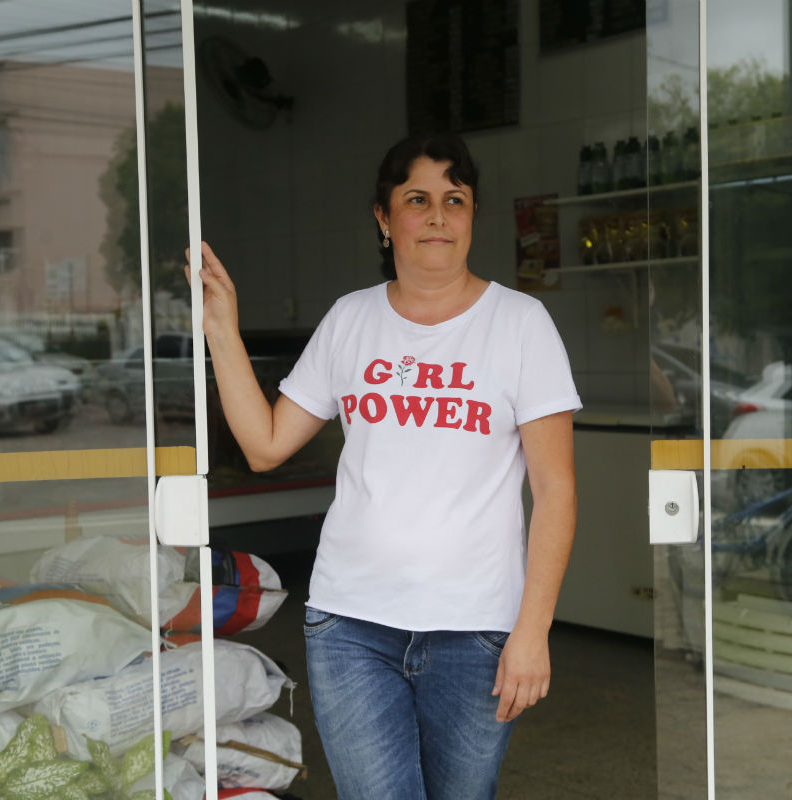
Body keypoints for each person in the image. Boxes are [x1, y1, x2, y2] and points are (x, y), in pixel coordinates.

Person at [192, 132, 580, 799]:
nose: (437, 216)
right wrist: (223, 329)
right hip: (351, 627)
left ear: (472, 215)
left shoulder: (521, 324)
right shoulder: (352, 320)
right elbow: (265, 445)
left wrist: (533, 632)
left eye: (454, 200)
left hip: (476, 630)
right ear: (384, 217)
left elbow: (556, 489)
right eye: (417, 199)